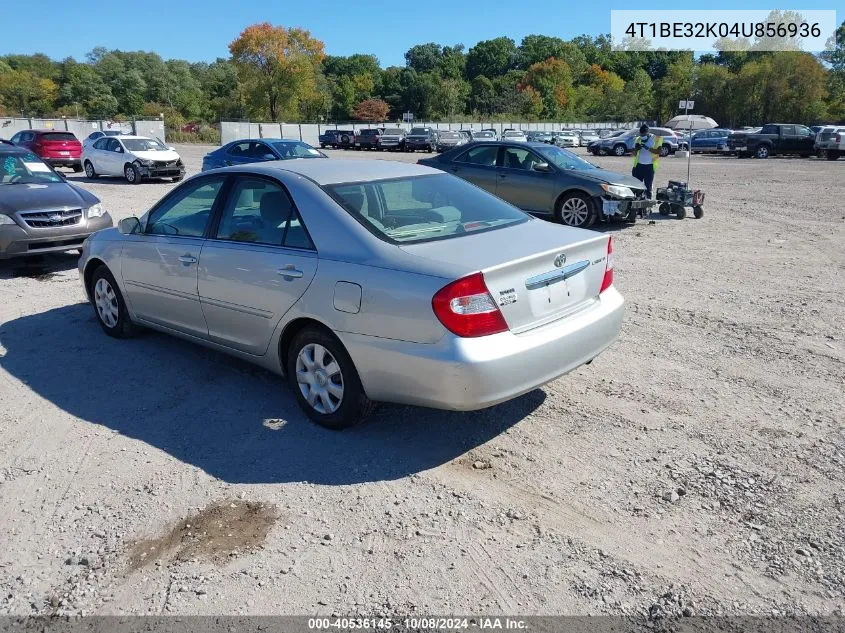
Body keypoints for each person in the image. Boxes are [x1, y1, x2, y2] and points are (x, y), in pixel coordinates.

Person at [631, 124, 662, 198]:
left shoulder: (656, 139)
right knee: (637, 186)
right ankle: (638, 201)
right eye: (641, 134)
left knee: (648, 186)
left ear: (648, 132)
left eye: (644, 134)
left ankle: (648, 204)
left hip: (649, 166)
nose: (642, 136)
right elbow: (633, 154)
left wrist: (648, 148)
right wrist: (636, 149)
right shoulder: (638, 139)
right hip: (638, 166)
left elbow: (659, 152)